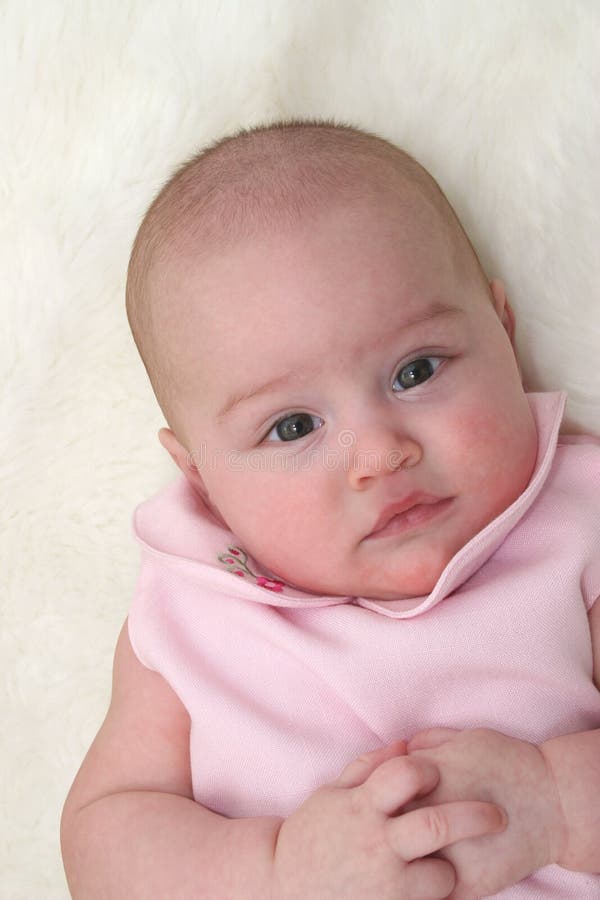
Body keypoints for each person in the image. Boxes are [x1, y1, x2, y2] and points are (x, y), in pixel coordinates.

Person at [61, 120, 600, 899]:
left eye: (417, 370)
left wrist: (555, 802)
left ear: (504, 336)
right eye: (293, 427)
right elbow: (103, 843)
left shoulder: (573, 526)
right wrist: (275, 871)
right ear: (201, 477)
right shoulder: (193, 605)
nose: (378, 454)